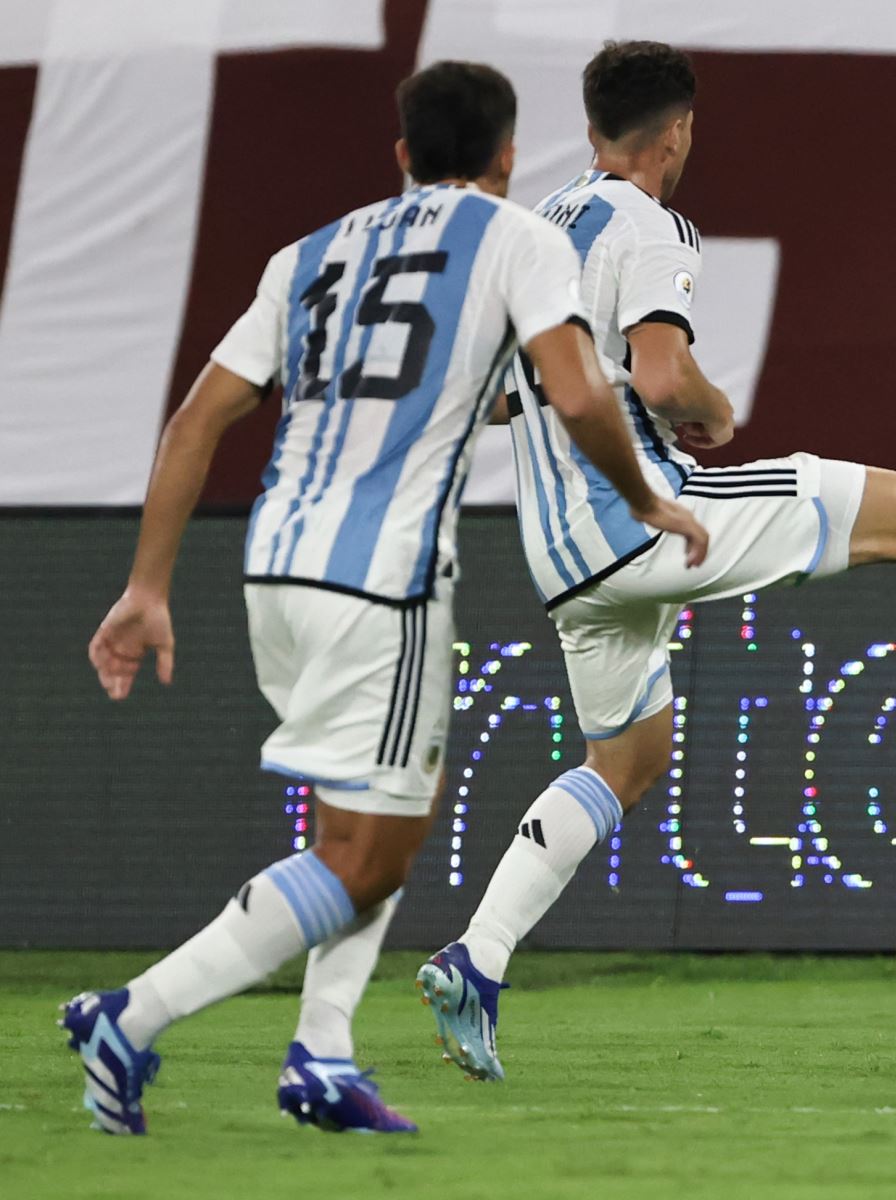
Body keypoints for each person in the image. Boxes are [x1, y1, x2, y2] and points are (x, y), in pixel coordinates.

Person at [415, 40, 896, 1081]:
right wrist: (711, 408)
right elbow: (660, 373)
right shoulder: (648, 224)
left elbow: (506, 390)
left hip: (563, 555)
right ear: (679, 131)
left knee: (627, 760)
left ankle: (478, 956)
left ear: (595, 126)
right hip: (654, 517)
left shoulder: (539, 227)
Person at [64, 60, 706, 1136]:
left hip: (274, 563)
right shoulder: (517, 238)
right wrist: (648, 495)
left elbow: (192, 423)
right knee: (377, 853)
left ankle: (321, 1053)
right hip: (385, 576)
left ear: (401, 155)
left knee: (357, 820)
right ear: (506, 158)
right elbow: (581, 390)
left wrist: (146, 587)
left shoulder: (308, 255)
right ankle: (131, 1015)